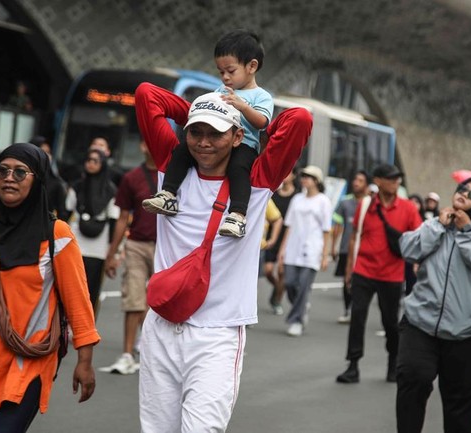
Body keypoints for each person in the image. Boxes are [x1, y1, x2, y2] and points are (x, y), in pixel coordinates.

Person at [134, 82, 311, 432]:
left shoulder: (258, 181)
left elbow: (300, 119)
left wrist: (244, 115)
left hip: (217, 334)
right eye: (195, 132)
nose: (203, 142)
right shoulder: (171, 165)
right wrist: (205, 108)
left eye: (214, 134)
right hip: (161, 326)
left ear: (235, 137)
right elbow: (145, 95)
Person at [0, 143, 100, 432]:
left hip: (28, 362)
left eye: (20, 172)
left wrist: (85, 361)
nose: (9, 178)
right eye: (3, 171)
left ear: (38, 179)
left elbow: (78, 302)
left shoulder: (57, 235)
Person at [396, 177, 471, 433]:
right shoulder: (436, 224)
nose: (464, 194)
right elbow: (408, 249)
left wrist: (467, 232)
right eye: (462, 189)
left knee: (460, 405)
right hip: (420, 324)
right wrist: (436, 225)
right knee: (413, 379)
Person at [143, 29, 273, 239]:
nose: (225, 77)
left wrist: (242, 106)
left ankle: (237, 215)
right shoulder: (221, 90)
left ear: (252, 66)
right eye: (221, 72)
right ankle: (168, 194)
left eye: (230, 71)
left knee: (239, 169)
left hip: (244, 145)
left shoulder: (261, 96)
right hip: (216, 137)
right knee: (182, 150)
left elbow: (262, 122)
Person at [336, 164, 422, 384]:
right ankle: (353, 365)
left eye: (397, 179)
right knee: (357, 317)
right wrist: (349, 270)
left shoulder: (408, 208)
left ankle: (393, 362)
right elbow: (355, 236)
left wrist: (418, 263)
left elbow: (420, 236)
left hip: (391, 275)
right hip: (363, 271)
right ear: (379, 181)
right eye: (390, 178)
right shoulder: (365, 206)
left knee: (390, 323)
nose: (395, 182)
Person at [102, 139, 158, 375]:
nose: (150, 145)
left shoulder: (177, 174)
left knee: (161, 302)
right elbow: (123, 219)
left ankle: (154, 350)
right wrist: (112, 254)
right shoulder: (131, 178)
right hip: (136, 243)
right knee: (133, 298)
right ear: (142, 146)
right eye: (146, 141)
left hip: (167, 247)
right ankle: (126, 354)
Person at [277, 165, 333, 337]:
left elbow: (326, 230)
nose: (304, 179)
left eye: (308, 176)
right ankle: (302, 307)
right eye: (303, 176)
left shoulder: (323, 201)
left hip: (312, 249)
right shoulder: (297, 199)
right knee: (290, 283)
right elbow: (289, 226)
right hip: (293, 248)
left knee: (303, 287)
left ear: (316, 181)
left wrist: (325, 255)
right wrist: (282, 250)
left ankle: (296, 321)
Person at [65, 148, 119, 316]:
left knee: (91, 290)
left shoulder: (110, 190)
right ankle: (66, 323)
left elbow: (113, 220)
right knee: (70, 287)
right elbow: (66, 213)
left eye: (95, 161)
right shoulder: (77, 186)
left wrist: (112, 251)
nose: (91, 164)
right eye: (88, 160)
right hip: (76, 243)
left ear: (102, 165)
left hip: (98, 249)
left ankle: (86, 326)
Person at [331, 170, 370, 324]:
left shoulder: (371, 203)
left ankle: (358, 310)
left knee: (361, 281)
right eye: (355, 179)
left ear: (366, 184)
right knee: (347, 280)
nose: (356, 183)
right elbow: (338, 226)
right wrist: (334, 246)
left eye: (360, 180)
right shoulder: (345, 202)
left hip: (364, 250)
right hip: (347, 248)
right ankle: (348, 309)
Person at [264, 170, 297, 315]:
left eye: (289, 173)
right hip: (273, 237)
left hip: (289, 237)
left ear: (294, 176)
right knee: (269, 271)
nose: (285, 176)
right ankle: (278, 288)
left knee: (282, 272)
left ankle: (276, 300)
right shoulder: (274, 194)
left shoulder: (297, 196)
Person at [30, 136, 68, 221]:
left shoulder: (55, 183)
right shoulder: (19, 177)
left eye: (48, 152)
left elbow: (62, 212)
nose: (47, 156)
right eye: (42, 151)